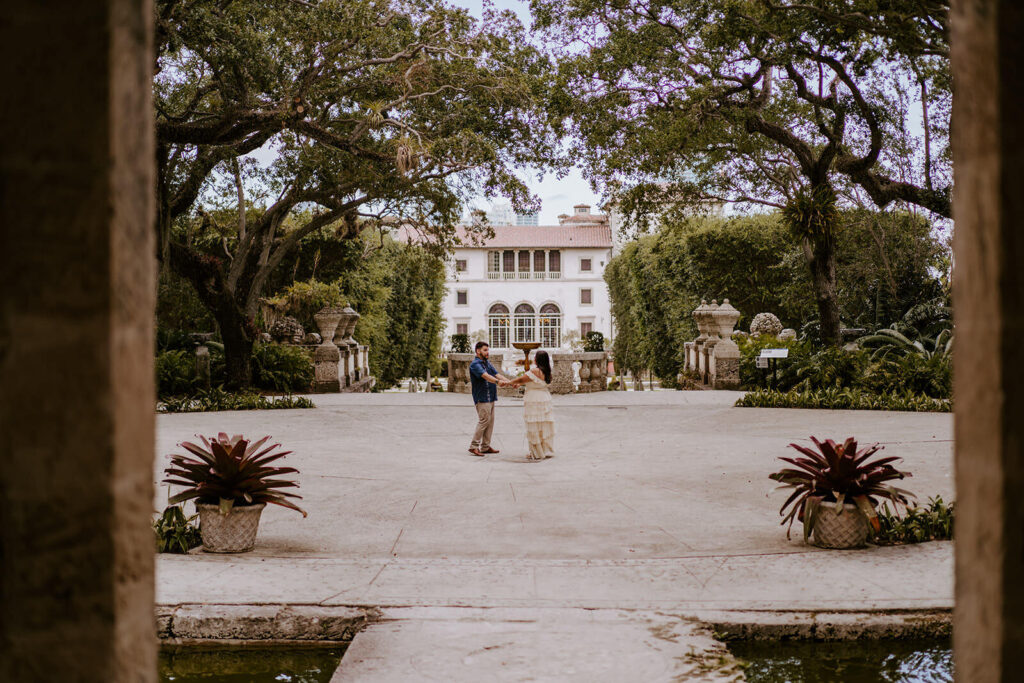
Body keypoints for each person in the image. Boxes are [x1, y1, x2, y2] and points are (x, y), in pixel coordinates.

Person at [504, 349, 555, 461]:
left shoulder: (535, 371)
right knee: (543, 425)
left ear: (537, 359)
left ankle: (536, 452)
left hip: (534, 399)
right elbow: (533, 382)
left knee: (534, 426)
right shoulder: (547, 371)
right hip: (544, 399)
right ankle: (544, 450)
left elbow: (522, 378)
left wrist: (509, 382)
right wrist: (519, 384)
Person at [467, 341, 511, 457]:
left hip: (491, 397)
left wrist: (509, 382)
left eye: (488, 350)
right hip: (482, 398)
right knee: (484, 421)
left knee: (490, 422)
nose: (487, 352)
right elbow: (486, 376)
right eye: (485, 350)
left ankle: (485, 447)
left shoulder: (487, 363)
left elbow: (496, 374)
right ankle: (474, 446)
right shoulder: (475, 364)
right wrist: (498, 382)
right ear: (478, 351)